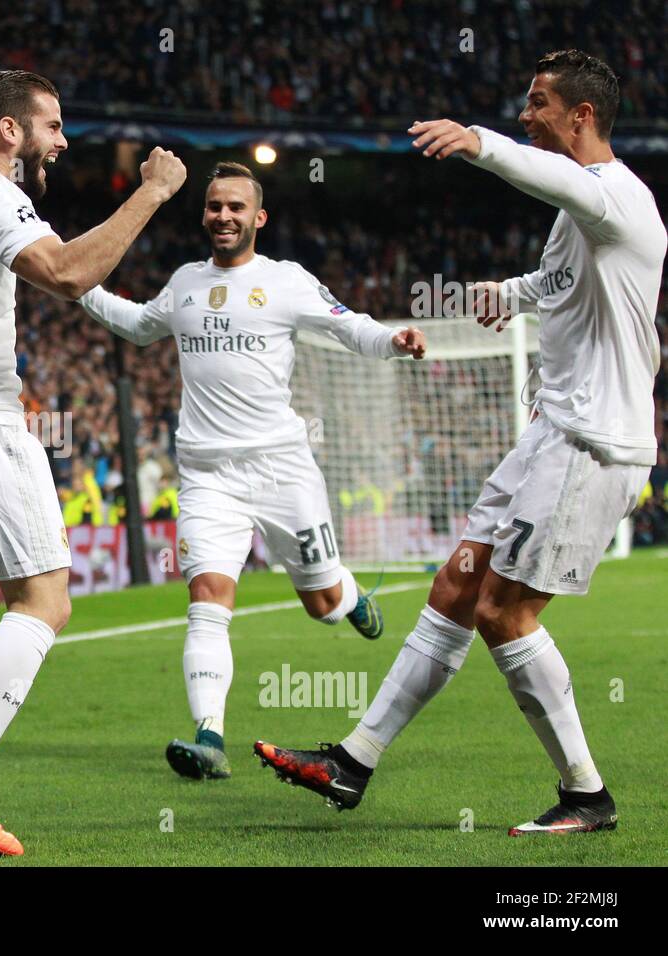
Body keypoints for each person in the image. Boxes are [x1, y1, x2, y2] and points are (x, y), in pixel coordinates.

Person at [254, 50, 665, 836]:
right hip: (550, 435)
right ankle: (353, 762)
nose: (524, 111)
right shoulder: (582, 216)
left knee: (503, 614)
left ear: (581, 116)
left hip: (593, 442)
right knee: (454, 589)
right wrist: (506, 295)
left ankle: (586, 795)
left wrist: (476, 139)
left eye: (538, 101)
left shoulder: (619, 197)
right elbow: (559, 282)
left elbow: (555, 180)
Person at [0, 68, 186, 854]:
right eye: (53, 125)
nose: (62, 140)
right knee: (45, 600)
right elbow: (69, 273)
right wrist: (152, 193)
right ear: (10, 130)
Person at [77, 160, 426, 780]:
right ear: (204, 213)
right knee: (208, 599)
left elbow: (350, 327)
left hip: (281, 468)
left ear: (258, 217)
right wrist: (79, 286)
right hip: (208, 474)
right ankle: (210, 737)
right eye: (215, 206)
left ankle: (346, 594)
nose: (224, 216)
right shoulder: (184, 283)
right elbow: (137, 327)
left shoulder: (287, 281)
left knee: (319, 603)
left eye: (236, 207)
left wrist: (393, 340)